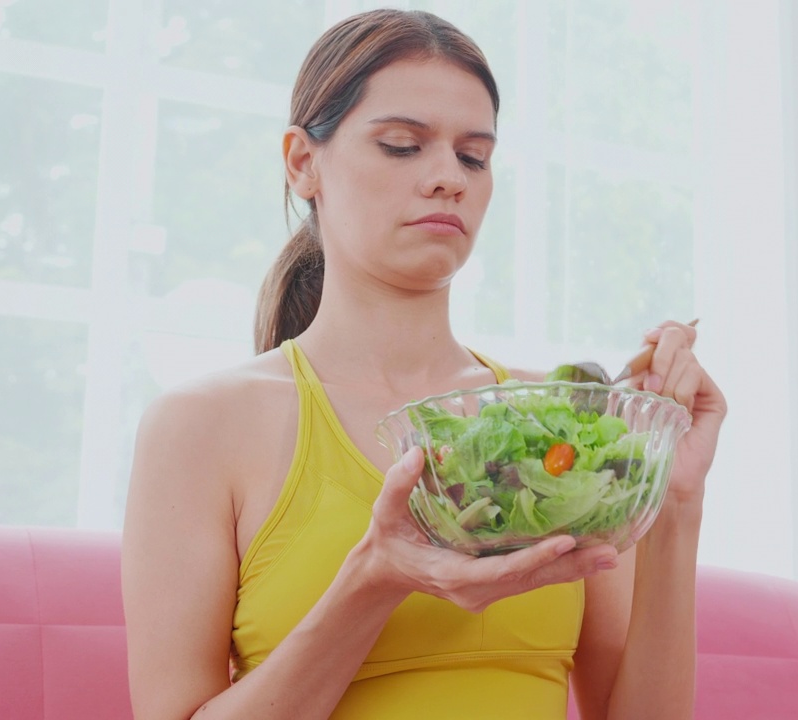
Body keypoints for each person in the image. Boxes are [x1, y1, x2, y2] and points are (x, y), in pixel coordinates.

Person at [120, 8, 726, 720]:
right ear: (302, 161)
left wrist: (676, 503)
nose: (449, 179)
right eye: (403, 146)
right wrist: (374, 578)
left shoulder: (560, 428)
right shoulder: (200, 428)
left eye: (474, 156)